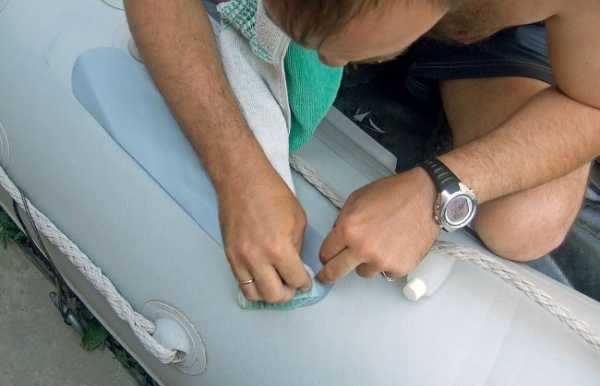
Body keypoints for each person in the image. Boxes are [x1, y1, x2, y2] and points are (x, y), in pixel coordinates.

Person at [124, 0, 600, 304]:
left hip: (490, 26)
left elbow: (592, 104)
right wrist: (239, 174)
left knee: (526, 223)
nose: (332, 62)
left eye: (345, 53)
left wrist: (437, 187)